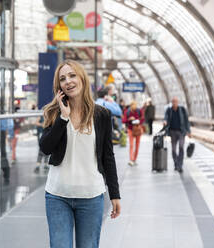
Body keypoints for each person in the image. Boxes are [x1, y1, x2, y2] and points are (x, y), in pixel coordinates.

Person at [39, 60, 121, 248]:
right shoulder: (54, 112)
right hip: (57, 196)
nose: (68, 81)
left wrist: (115, 194)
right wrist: (63, 117)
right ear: (58, 86)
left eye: (72, 75)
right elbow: (45, 148)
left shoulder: (101, 115)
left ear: (82, 78)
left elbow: (108, 157)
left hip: (91, 196)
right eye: (62, 79)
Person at [163, 96, 191, 173]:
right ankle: (176, 164)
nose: (175, 103)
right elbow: (166, 117)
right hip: (172, 132)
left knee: (181, 147)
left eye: (176, 101)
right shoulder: (169, 110)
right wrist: (165, 121)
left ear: (178, 102)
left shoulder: (182, 110)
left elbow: (186, 121)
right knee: (173, 149)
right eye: (173, 102)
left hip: (181, 132)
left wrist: (189, 131)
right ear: (172, 102)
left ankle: (180, 165)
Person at [122, 101, 144, 166]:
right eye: (133, 106)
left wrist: (138, 120)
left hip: (137, 129)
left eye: (135, 106)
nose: (134, 108)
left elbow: (143, 119)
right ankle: (131, 159)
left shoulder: (139, 111)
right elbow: (123, 120)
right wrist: (129, 119)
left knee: (137, 145)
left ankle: (134, 159)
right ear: (131, 106)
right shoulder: (127, 112)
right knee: (131, 145)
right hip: (130, 129)